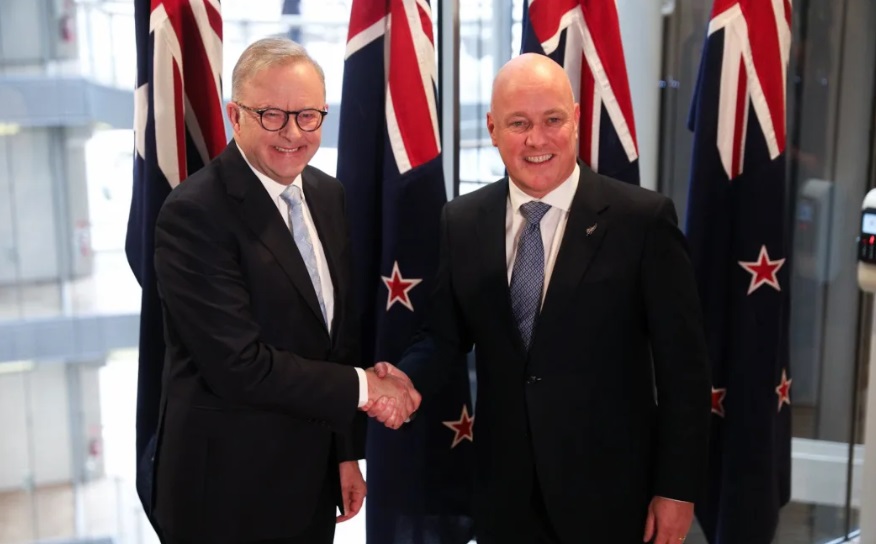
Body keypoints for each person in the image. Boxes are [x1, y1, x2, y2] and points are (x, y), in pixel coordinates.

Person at [386, 53, 711, 544]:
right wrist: (404, 379)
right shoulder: (463, 220)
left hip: (614, 500)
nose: (537, 139)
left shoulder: (642, 222)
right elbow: (443, 336)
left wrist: (678, 490)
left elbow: (684, 372)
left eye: (552, 120)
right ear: (493, 129)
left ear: (576, 118)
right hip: (505, 499)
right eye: (518, 123)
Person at [151, 38, 418, 544]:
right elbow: (239, 365)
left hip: (309, 480)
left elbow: (331, 339)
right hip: (223, 495)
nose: (293, 133)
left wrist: (343, 452)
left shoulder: (327, 194)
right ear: (235, 115)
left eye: (309, 116)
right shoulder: (194, 214)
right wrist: (366, 389)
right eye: (271, 115)